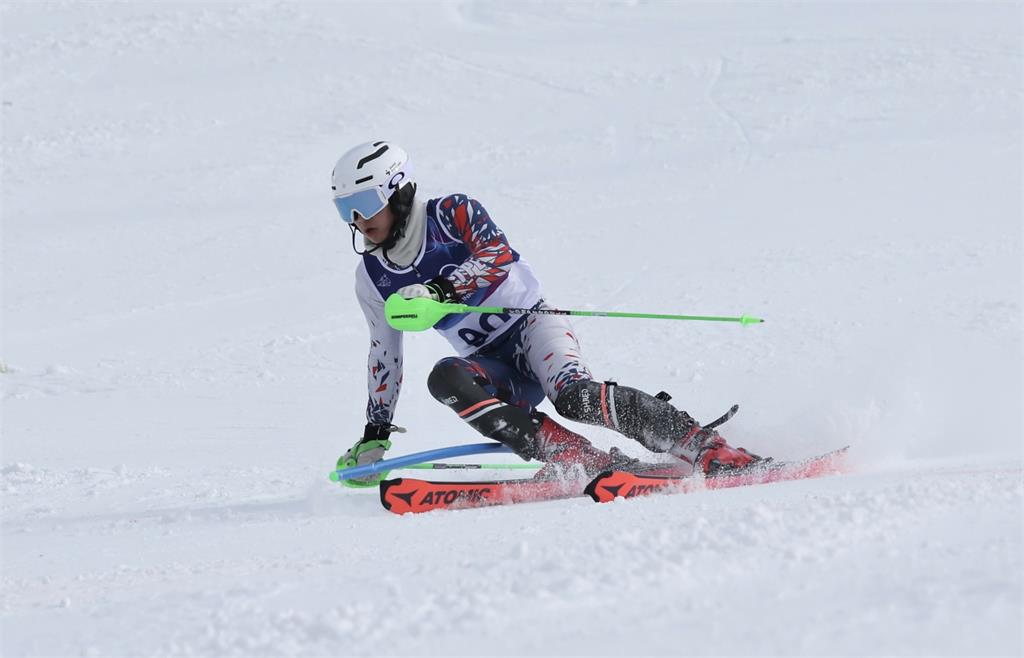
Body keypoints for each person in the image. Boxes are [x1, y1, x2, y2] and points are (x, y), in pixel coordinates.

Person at [332, 141, 762, 486]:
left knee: (574, 398)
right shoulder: (372, 277)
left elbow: (495, 255)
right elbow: (384, 355)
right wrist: (376, 432)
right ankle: (575, 457)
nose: (357, 220)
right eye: (345, 210)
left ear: (398, 190)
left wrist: (442, 289)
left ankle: (705, 446)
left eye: (365, 203)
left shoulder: (452, 213)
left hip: (534, 326)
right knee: (445, 377)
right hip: (494, 363)